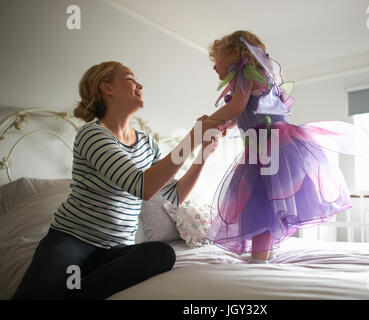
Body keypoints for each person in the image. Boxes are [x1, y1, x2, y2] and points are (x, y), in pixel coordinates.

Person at [12, 61, 224, 299]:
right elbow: (141, 186)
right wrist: (193, 136)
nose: (140, 85)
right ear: (107, 88)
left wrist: (203, 154)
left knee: (162, 253)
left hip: (116, 250)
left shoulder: (146, 143)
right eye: (130, 78)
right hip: (72, 240)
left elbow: (175, 195)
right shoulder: (92, 134)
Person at [205, 30, 366, 263]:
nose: (214, 67)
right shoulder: (259, 76)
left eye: (217, 59)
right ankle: (264, 257)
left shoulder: (243, 73)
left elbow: (236, 108)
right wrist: (223, 126)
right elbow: (242, 113)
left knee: (259, 206)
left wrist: (207, 123)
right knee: (267, 206)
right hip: (276, 146)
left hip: (268, 148)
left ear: (235, 54)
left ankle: (259, 261)